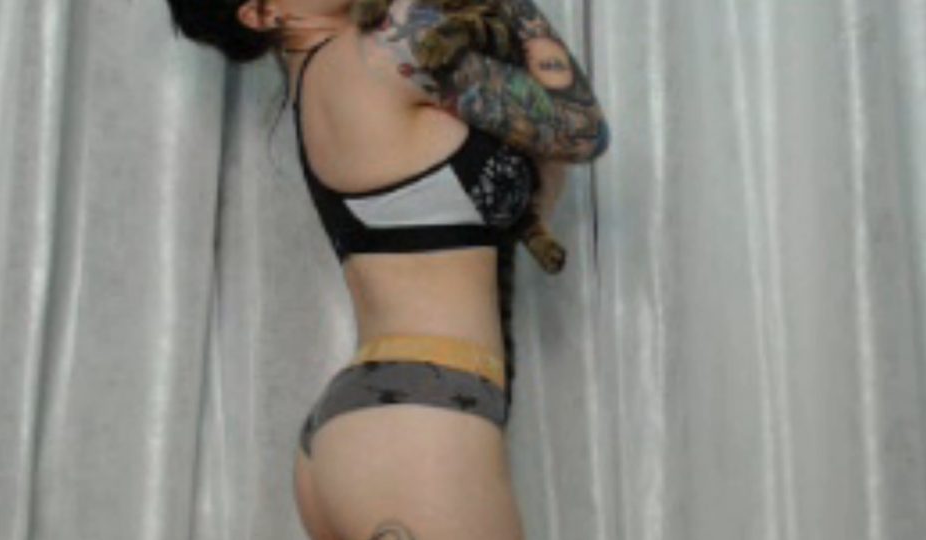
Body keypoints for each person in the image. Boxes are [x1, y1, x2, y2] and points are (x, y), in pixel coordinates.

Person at [166, 0, 609, 538]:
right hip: (419, 432)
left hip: (365, 434)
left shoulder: (319, 83)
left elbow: (535, 176)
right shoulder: (386, 49)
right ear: (262, 15)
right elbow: (581, 130)